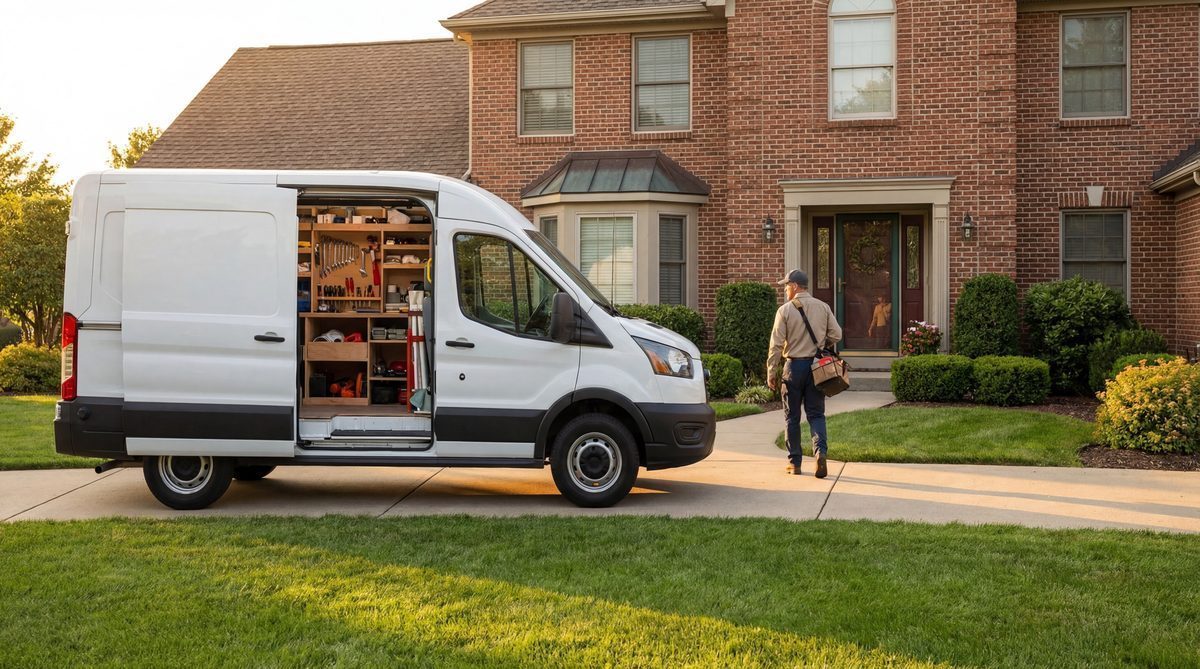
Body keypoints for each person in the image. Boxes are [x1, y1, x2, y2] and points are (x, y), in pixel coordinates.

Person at [766, 269, 843, 477]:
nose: (785, 290)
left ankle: (794, 463)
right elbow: (837, 333)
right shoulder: (823, 307)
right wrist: (821, 344)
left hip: (794, 367)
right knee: (816, 414)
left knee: (792, 416)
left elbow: (776, 345)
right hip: (817, 368)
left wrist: (771, 371)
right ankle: (820, 454)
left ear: (795, 286)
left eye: (786, 286)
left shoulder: (785, 310)